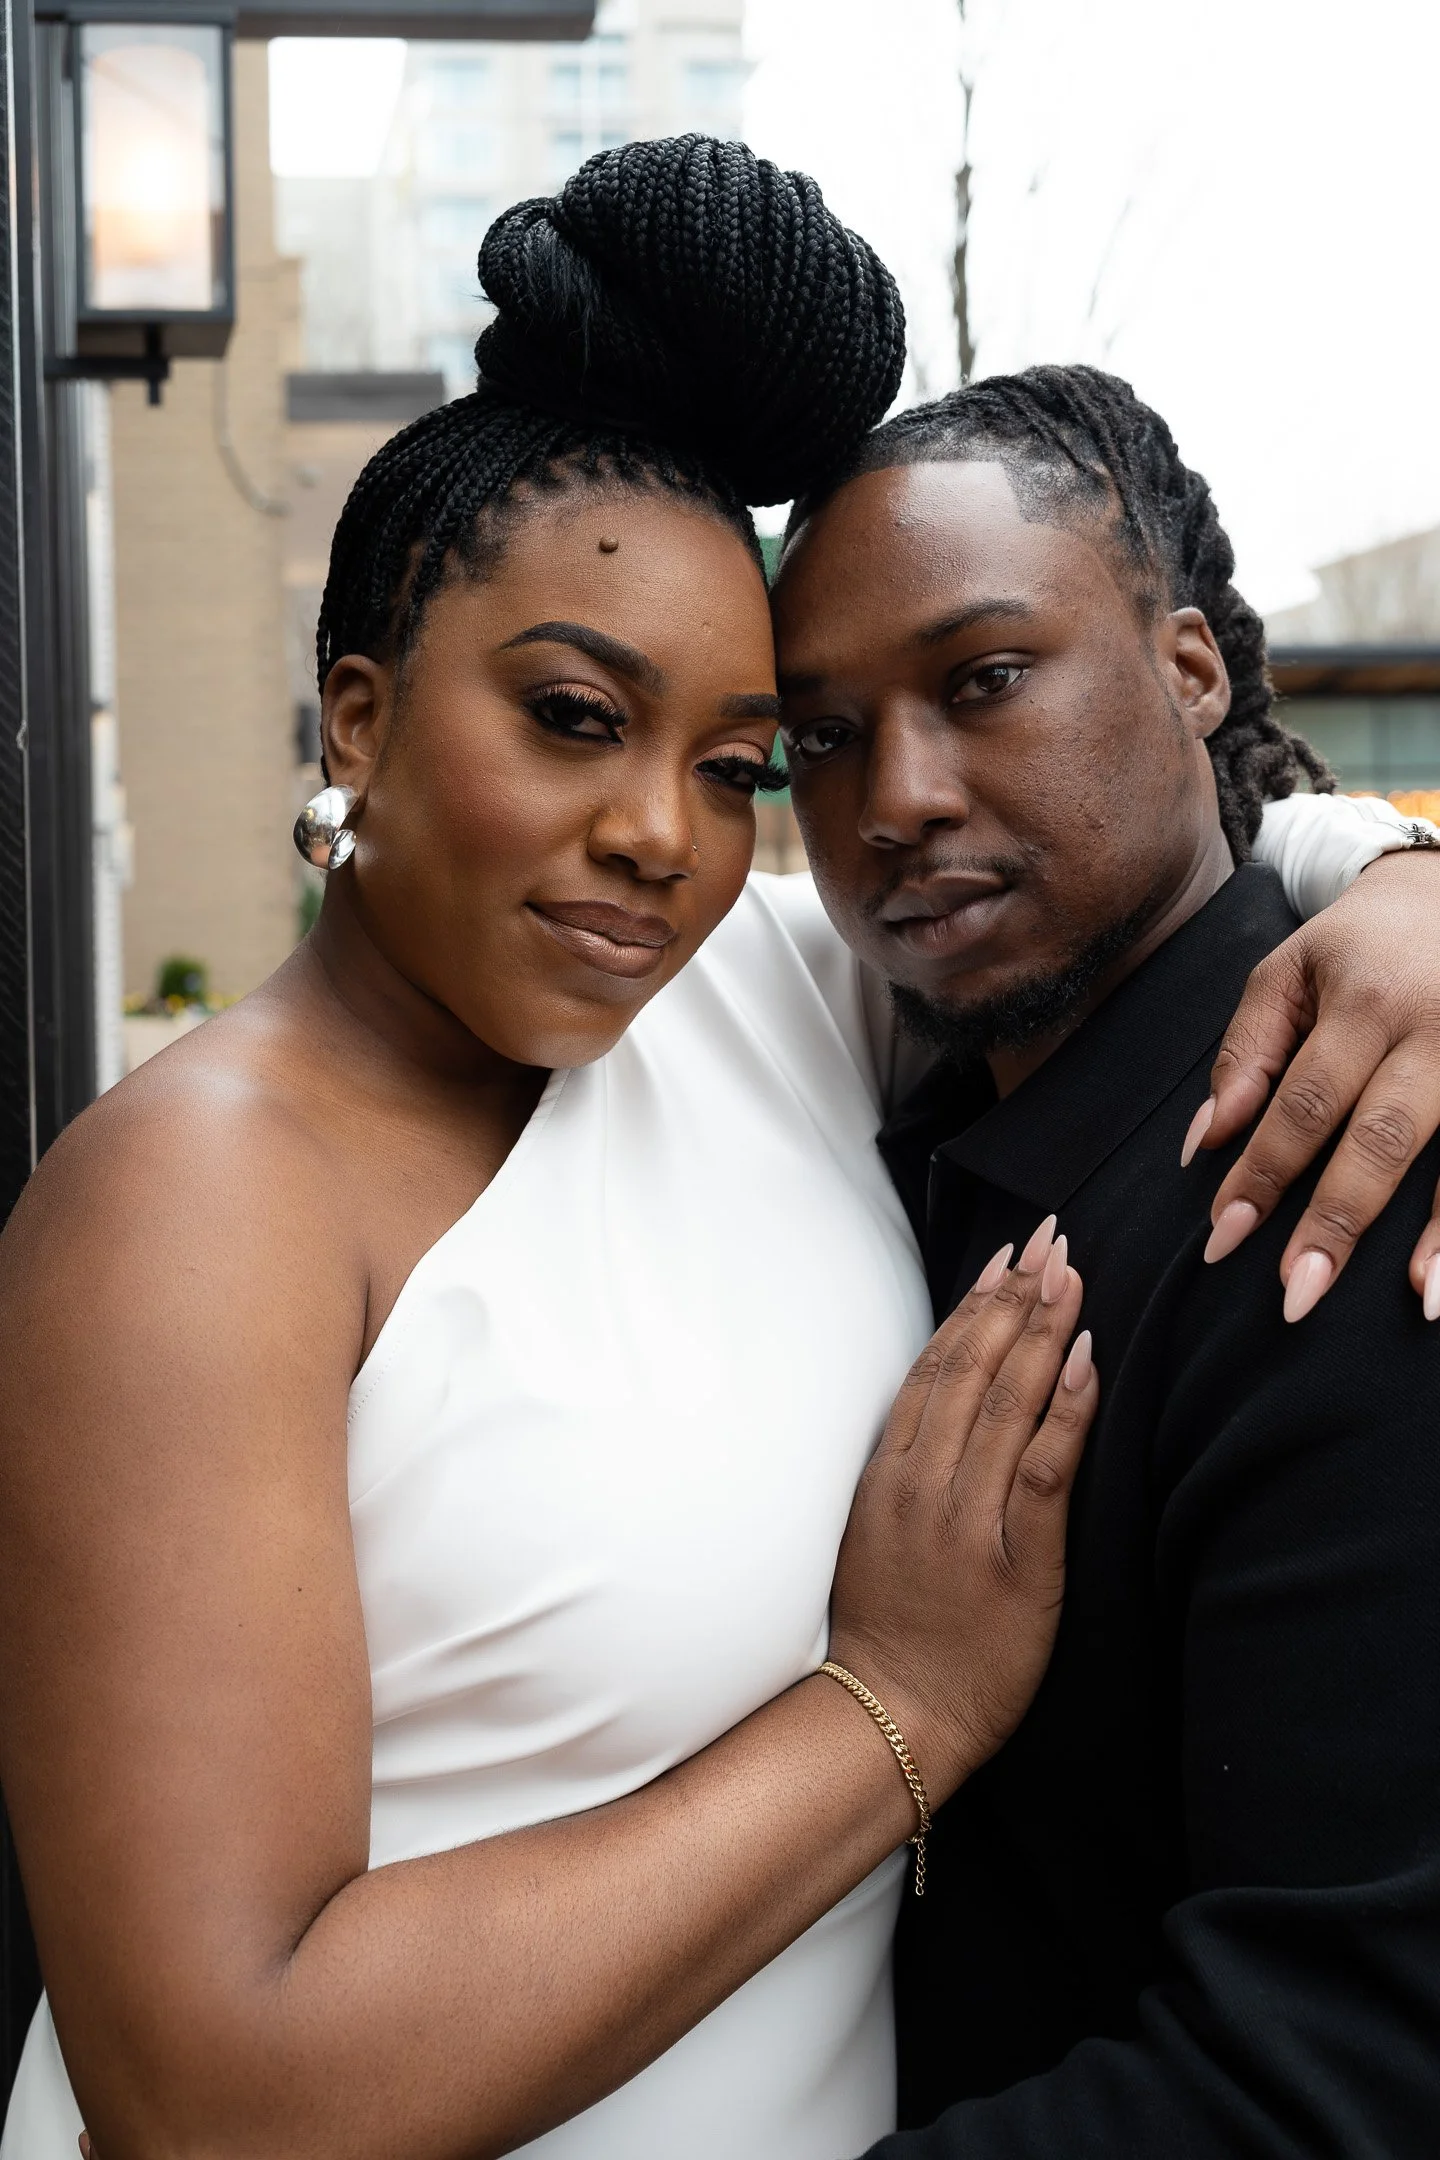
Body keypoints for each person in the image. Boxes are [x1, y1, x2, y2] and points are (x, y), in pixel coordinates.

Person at [0, 143, 1434, 2160]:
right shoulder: (198, 1196)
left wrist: (1393, 883)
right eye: (577, 716)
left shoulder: (760, 992)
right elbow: (217, 2093)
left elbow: (1116, 881)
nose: (668, 835)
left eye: (744, 764)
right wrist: (897, 1709)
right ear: (358, 718)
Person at [766, 362, 1440, 2156]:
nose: (894, 796)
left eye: (985, 681)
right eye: (819, 736)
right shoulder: (880, 1096)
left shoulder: (1349, 1191)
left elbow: (1343, 2075)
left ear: (1191, 670)